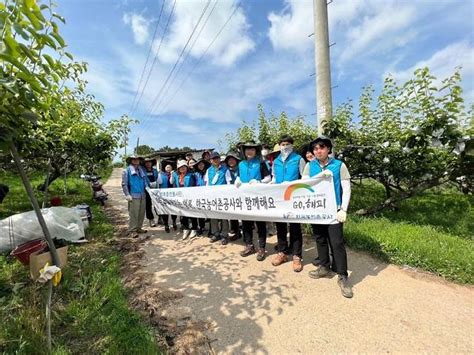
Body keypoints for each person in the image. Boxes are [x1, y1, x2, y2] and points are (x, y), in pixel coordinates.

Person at [302, 136, 353, 298]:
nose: (318, 151)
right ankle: (324, 267)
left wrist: (343, 209)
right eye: (315, 149)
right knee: (320, 239)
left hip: (334, 211)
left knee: (337, 243)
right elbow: (304, 185)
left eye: (321, 148)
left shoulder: (339, 165)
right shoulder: (310, 166)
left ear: (329, 150)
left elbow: (346, 188)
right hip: (318, 211)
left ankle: (342, 275)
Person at [271, 135, 306, 272]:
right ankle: (282, 252)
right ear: (279, 146)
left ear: (292, 145)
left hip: (293, 197)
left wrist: (293, 184)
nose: (285, 146)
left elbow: (304, 178)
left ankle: (297, 255)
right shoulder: (276, 161)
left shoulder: (298, 159)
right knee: (280, 225)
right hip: (279, 198)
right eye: (282, 144)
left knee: (295, 226)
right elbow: (273, 178)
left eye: (287, 144)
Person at [235, 142, 271, 261]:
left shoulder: (261, 163)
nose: (249, 151)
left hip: (258, 198)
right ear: (244, 151)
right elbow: (238, 176)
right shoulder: (240, 164)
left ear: (256, 151)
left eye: (252, 149)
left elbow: (268, 178)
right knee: (246, 224)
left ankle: (261, 248)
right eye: (247, 150)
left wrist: (259, 182)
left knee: (260, 224)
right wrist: (238, 179)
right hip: (244, 198)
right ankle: (249, 245)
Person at [204, 151, 232, 245]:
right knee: (213, 216)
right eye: (213, 158)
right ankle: (215, 234)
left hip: (223, 196)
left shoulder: (225, 169)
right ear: (211, 160)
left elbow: (228, 182)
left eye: (217, 158)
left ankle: (224, 235)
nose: (215, 160)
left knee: (224, 216)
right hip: (212, 196)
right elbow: (207, 183)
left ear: (220, 159)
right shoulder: (208, 170)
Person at [122, 154, 149, 238]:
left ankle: (138, 228)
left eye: (137, 159)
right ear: (131, 160)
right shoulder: (126, 171)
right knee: (134, 214)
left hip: (142, 195)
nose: (136, 160)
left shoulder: (141, 170)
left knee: (141, 213)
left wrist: (147, 186)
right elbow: (124, 184)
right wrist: (127, 194)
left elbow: (145, 180)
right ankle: (132, 230)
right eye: (134, 159)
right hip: (133, 195)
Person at [170, 160, 198, 240]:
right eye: (180, 167)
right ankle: (186, 228)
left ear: (186, 167)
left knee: (192, 213)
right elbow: (174, 186)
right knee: (183, 213)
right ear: (178, 169)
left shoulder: (191, 175)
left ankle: (194, 228)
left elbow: (195, 185)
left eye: (183, 167)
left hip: (190, 197)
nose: (182, 168)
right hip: (181, 198)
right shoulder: (176, 176)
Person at [224, 151, 242, 241]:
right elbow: (227, 182)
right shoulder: (227, 171)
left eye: (233, 159)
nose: (231, 162)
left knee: (244, 214)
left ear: (236, 160)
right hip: (232, 194)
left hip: (243, 193)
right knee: (233, 213)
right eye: (229, 160)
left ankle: (246, 232)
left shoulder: (241, 168)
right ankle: (236, 232)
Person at [193, 158, 211, 235]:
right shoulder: (195, 174)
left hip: (208, 194)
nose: (201, 166)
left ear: (204, 165)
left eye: (202, 164)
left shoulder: (208, 172)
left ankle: (211, 229)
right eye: (199, 164)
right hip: (198, 195)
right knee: (200, 212)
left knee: (210, 212)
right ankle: (201, 227)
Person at [159, 163, 178, 233]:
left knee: (174, 210)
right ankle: (166, 224)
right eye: (167, 167)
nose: (168, 168)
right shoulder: (161, 175)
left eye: (170, 167)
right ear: (165, 168)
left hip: (173, 195)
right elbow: (159, 183)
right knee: (165, 211)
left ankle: (174, 222)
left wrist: (172, 175)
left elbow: (174, 182)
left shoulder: (175, 174)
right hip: (164, 195)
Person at [143, 157, 159, 228]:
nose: (148, 163)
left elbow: (158, 179)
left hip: (155, 189)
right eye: (146, 162)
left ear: (152, 163)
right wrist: (148, 186)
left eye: (149, 162)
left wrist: (156, 184)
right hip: (147, 189)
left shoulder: (155, 170)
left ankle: (160, 217)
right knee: (148, 205)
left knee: (157, 204)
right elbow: (143, 179)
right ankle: (151, 219)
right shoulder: (143, 171)